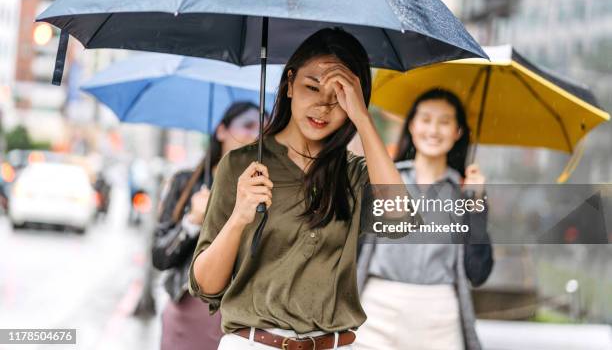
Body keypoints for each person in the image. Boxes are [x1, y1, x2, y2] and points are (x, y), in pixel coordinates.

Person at [188, 28, 419, 350]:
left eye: (338, 98)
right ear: (289, 84)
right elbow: (206, 286)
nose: (323, 108)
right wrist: (239, 216)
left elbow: (401, 222)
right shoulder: (242, 165)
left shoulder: (355, 174)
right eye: (312, 87)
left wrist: (363, 120)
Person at [354, 88, 494, 350]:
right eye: (426, 119)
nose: (434, 130)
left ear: (458, 132)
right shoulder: (383, 179)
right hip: (377, 308)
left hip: (438, 316)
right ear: (412, 126)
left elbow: (478, 272)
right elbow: (353, 250)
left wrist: (476, 205)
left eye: (445, 122)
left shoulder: (465, 193)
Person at [152, 101, 262, 350]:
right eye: (247, 126)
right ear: (221, 130)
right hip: (189, 312)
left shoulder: (263, 189)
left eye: (262, 129)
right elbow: (159, 257)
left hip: (244, 320)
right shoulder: (185, 183)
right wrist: (192, 221)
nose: (255, 135)